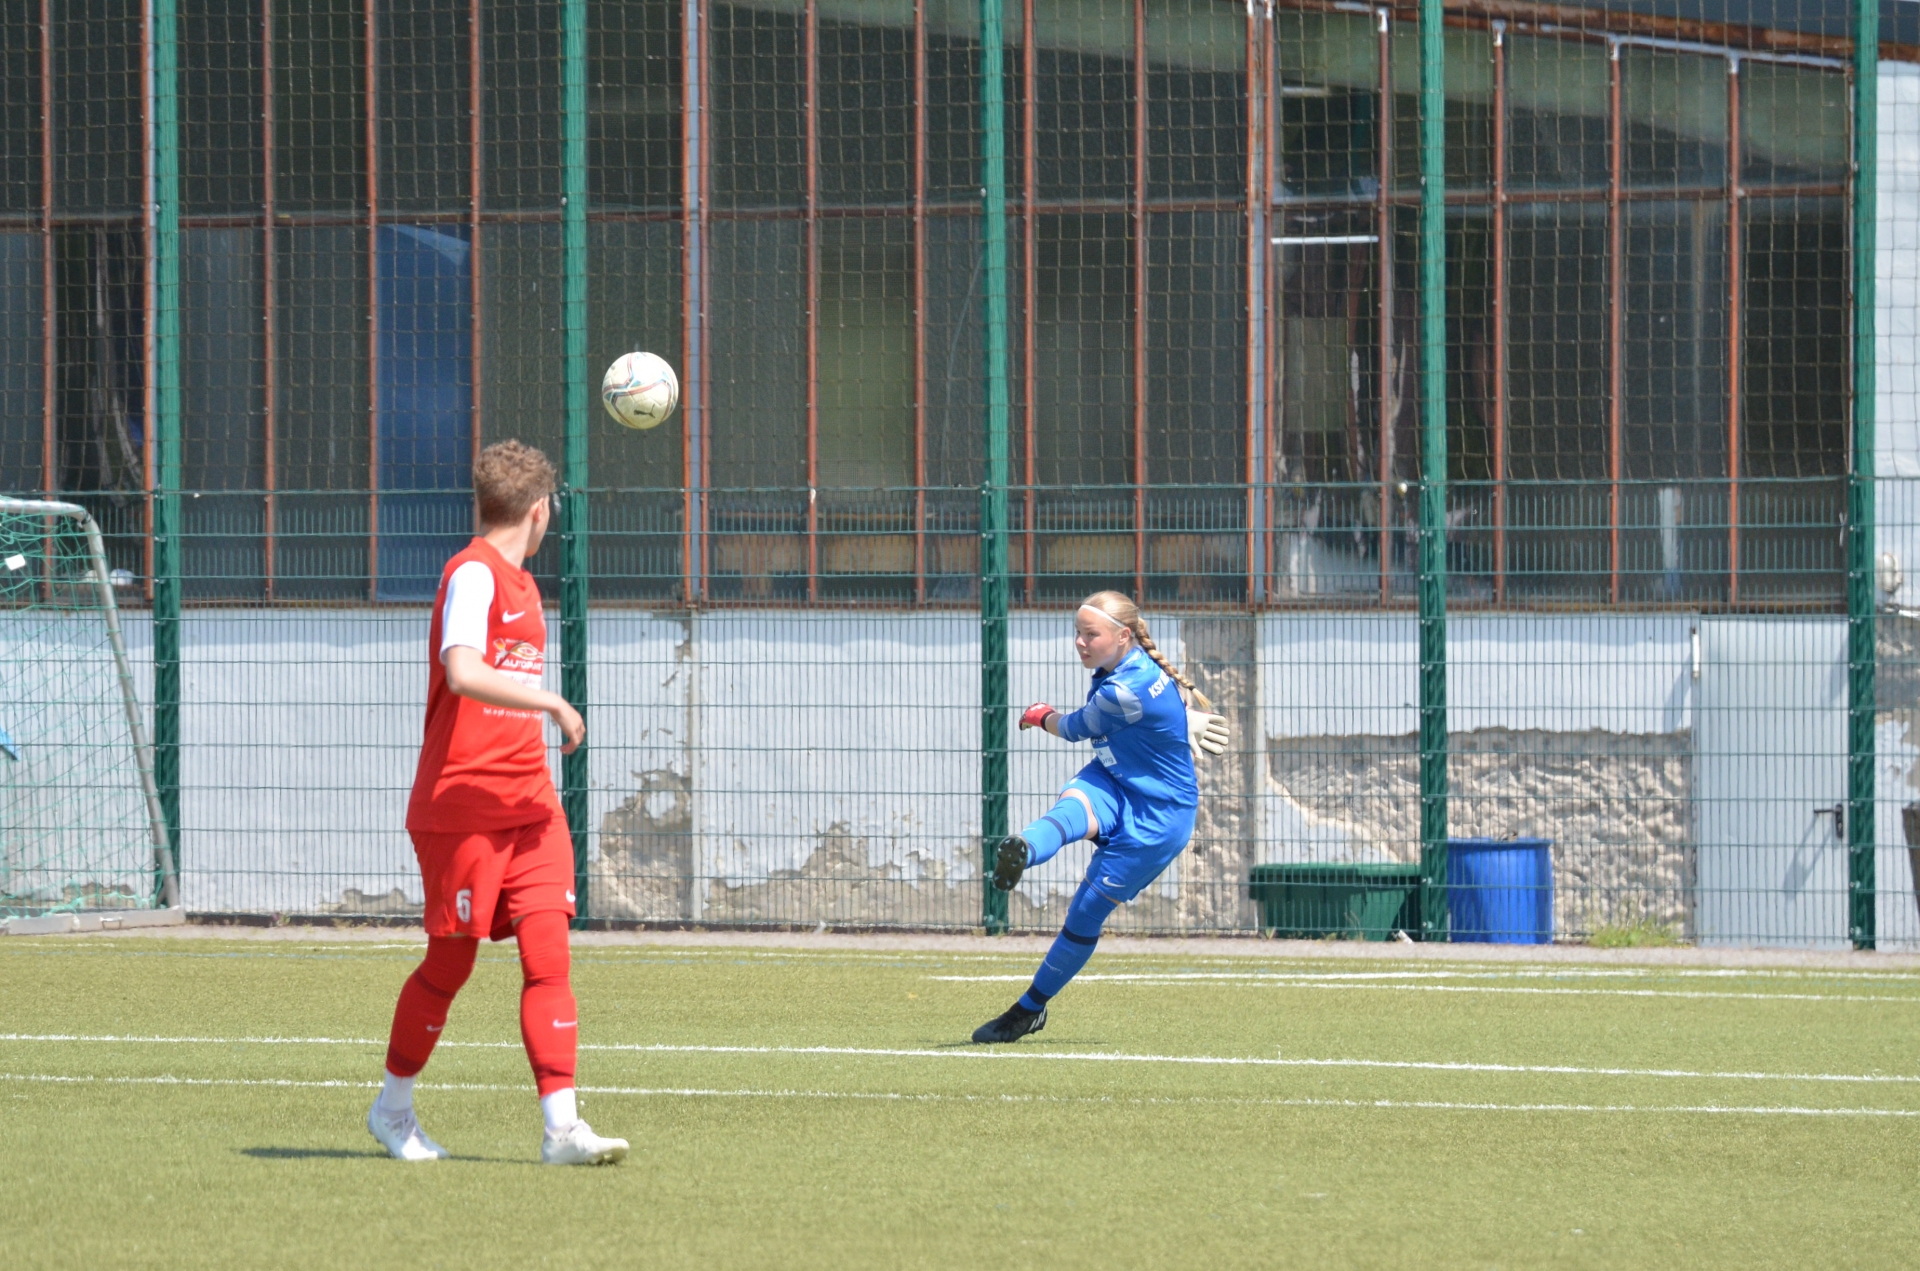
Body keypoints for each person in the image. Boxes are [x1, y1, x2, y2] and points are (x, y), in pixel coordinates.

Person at [366, 440, 628, 1165]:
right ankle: (392, 1110)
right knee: (448, 967)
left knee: (549, 958)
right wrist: (551, 701)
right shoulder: (474, 573)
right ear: (539, 509)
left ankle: (562, 1130)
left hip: (531, 804)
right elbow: (461, 669)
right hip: (462, 805)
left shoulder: (525, 584)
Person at [972, 590, 1230, 1044]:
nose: (1080, 642)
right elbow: (1164, 698)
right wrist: (1181, 717)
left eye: (1090, 634)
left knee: (1084, 915)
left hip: (1158, 816)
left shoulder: (1121, 690)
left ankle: (1028, 1010)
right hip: (1116, 774)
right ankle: (1024, 850)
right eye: (1078, 632)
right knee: (1071, 808)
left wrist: (1040, 714)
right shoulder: (1133, 669)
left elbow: (1073, 728)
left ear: (1124, 636)